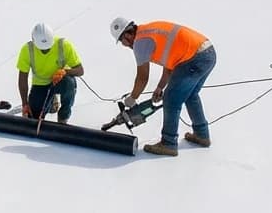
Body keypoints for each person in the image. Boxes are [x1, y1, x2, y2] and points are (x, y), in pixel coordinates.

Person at [110, 17, 217, 157]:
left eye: (122, 42)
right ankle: (202, 135)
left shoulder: (140, 43)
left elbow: (142, 77)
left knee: (171, 100)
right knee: (190, 95)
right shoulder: (149, 31)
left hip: (193, 58)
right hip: (207, 53)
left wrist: (132, 98)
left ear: (127, 36)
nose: (125, 46)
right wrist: (160, 87)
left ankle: (168, 143)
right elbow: (170, 63)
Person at [16, 23, 84, 125]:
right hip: (40, 85)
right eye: (42, 49)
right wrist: (25, 104)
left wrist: (64, 72)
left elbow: (80, 70)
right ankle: (51, 102)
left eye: (48, 48)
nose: (45, 50)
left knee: (69, 83)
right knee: (33, 117)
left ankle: (63, 117)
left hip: (60, 81)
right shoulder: (27, 50)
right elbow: (22, 79)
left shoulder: (64, 45)